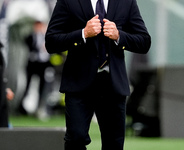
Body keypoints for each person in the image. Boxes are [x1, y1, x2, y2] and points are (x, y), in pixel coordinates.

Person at [45, 0, 151, 150]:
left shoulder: (126, 2)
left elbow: (144, 42)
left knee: (114, 143)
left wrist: (119, 35)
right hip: (78, 83)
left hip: (113, 85)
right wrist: (83, 33)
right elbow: (51, 42)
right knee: (76, 138)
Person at [18, 21, 52, 115]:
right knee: (27, 85)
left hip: (43, 65)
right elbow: (27, 43)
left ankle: (40, 108)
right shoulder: (31, 36)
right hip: (33, 64)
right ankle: (21, 108)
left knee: (43, 86)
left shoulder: (47, 37)